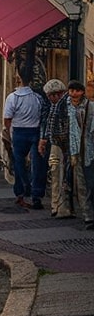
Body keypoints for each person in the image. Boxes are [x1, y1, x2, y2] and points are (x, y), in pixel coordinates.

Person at [3, 70, 45, 210]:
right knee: (36, 164)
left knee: (19, 162)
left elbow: (7, 119)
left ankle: (22, 191)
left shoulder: (13, 97)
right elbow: (41, 114)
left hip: (19, 131)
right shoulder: (37, 97)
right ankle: (36, 195)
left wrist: (10, 132)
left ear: (18, 80)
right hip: (35, 130)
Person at [39, 79, 71, 218]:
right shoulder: (56, 104)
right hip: (56, 143)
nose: (48, 99)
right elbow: (49, 123)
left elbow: (62, 126)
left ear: (55, 94)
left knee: (58, 173)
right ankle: (57, 206)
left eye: (49, 96)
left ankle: (59, 206)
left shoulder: (62, 105)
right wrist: (45, 139)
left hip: (60, 145)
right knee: (56, 173)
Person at [65, 79, 94, 229]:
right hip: (74, 151)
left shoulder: (90, 107)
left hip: (89, 151)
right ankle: (87, 215)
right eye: (71, 91)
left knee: (90, 184)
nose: (73, 93)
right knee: (81, 185)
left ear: (82, 92)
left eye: (76, 90)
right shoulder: (66, 106)